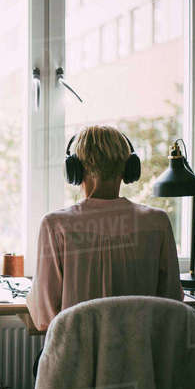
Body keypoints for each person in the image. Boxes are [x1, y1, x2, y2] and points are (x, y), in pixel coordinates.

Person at [26, 125, 184, 332]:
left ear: (74, 170)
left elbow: (44, 318)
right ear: (129, 169)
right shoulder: (157, 222)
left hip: (75, 361)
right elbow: (171, 304)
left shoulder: (55, 225)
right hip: (140, 360)